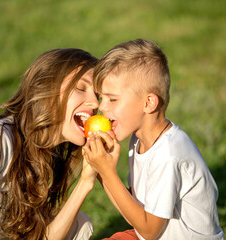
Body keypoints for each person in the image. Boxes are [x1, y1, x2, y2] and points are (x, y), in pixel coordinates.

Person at [83, 39, 225, 240]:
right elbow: (135, 211)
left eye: (112, 99)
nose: (102, 107)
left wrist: (107, 172)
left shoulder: (169, 155)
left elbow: (149, 230)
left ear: (149, 103)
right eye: (101, 98)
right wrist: (100, 170)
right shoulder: (138, 140)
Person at [0, 48, 99, 240]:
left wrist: (86, 182)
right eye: (81, 88)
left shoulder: (48, 157)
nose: (96, 104)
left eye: (98, 95)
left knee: (80, 226)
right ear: (46, 89)